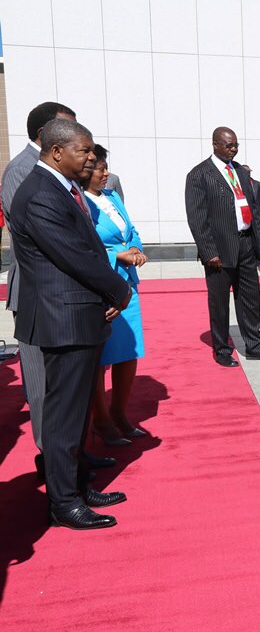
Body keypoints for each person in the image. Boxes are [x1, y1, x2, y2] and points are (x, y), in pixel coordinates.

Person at [9, 118, 132, 529]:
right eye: (84, 150)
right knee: (64, 414)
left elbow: (88, 246)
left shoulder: (63, 187)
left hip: (80, 313)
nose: (91, 157)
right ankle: (63, 502)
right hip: (63, 317)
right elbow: (74, 255)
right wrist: (118, 289)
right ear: (57, 151)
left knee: (77, 412)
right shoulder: (40, 193)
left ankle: (78, 483)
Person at [1, 101, 77, 461]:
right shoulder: (22, 170)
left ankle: (72, 458)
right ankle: (53, 463)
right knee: (43, 386)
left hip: (65, 291)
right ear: (46, 134)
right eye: (69, 129)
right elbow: (42, 236)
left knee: (67, 384)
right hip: (38, 292)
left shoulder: (59, 168)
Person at [185, 127, 260, 367]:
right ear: (215, 144)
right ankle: (222, 349)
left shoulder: (240, 172)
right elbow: (197, 218)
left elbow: (253, 209)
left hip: (246, 244)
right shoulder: (199, 174)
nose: (234, 149)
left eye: (236, 145)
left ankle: (254, 345)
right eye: (229, 145)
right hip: (219, 249)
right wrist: (209, 252)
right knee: (219, 303)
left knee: (250, 299)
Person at [82, 145, 149, 446]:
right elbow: (84, 245)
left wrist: (135, 248)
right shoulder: (80, 202)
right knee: (101, 358)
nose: (107, 174)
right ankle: (102, 421)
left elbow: (130, 230)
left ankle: (119, 413)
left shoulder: (112, 197)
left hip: (126, 286)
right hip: (101, 285)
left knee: (128, 352)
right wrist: (117, 255)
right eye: (101, 168)